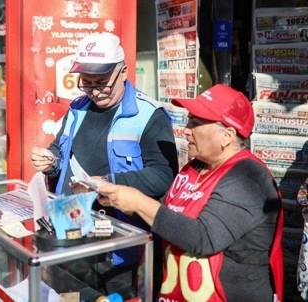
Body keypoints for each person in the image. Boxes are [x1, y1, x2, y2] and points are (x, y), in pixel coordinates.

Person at [97, 84, 284, 301]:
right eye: (188, 121)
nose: (186, 129)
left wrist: (139, 202)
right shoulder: (195, 167)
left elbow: (203, 237)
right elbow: (169, 217)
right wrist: (118, 198)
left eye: (195, 123)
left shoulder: (249, 176)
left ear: (227, 135)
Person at [31, 32, 178, 298]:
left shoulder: (149, 116)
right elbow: (61, 152)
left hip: (121, 243)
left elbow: (164, 175)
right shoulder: (78, 108)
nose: (95, 91)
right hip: (73, 231)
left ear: (123, 72)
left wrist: (110, 183)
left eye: (102, 83)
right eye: (86, 83)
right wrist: (49, 161)